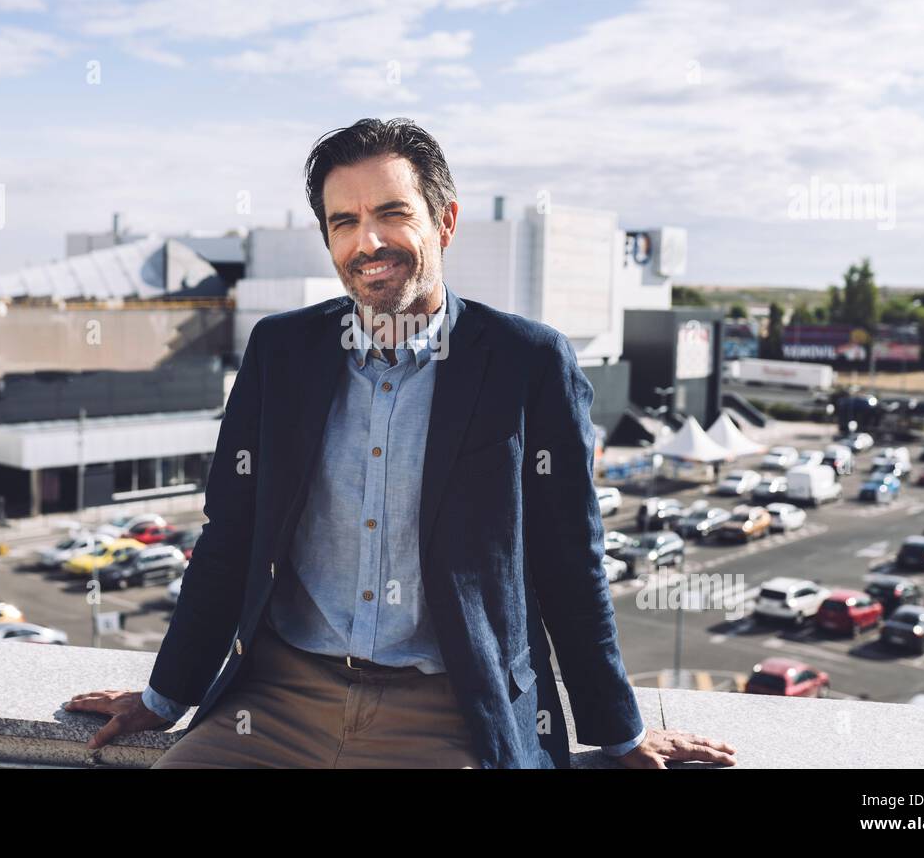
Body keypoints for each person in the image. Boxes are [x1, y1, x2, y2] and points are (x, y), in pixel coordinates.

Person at [66, 118, 736, 769]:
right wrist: (165, 695)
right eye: (344, 222)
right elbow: (229, 537)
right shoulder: (281, 351)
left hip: (447, 714)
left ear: (444, 222)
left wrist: (620, 734)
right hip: (274, 701)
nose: (369, 242)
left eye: (393, 214)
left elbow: (570, 562)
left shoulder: (525, 361)